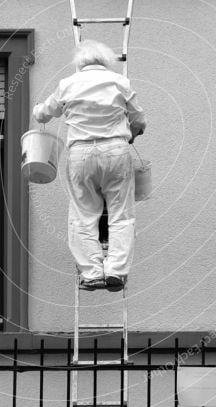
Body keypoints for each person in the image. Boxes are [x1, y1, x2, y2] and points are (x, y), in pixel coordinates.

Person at [33, 39, 146, 291]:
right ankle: (116, 270)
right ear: (106, 61)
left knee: (83, 215)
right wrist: (132, 133)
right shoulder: (120, 82)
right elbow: (139, 119)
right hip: (116, 150)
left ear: (80, 63)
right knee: (120, 215)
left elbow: (44, 113)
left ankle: (92, 273)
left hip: (81, 153)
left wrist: (36, 111)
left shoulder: (68, 84)